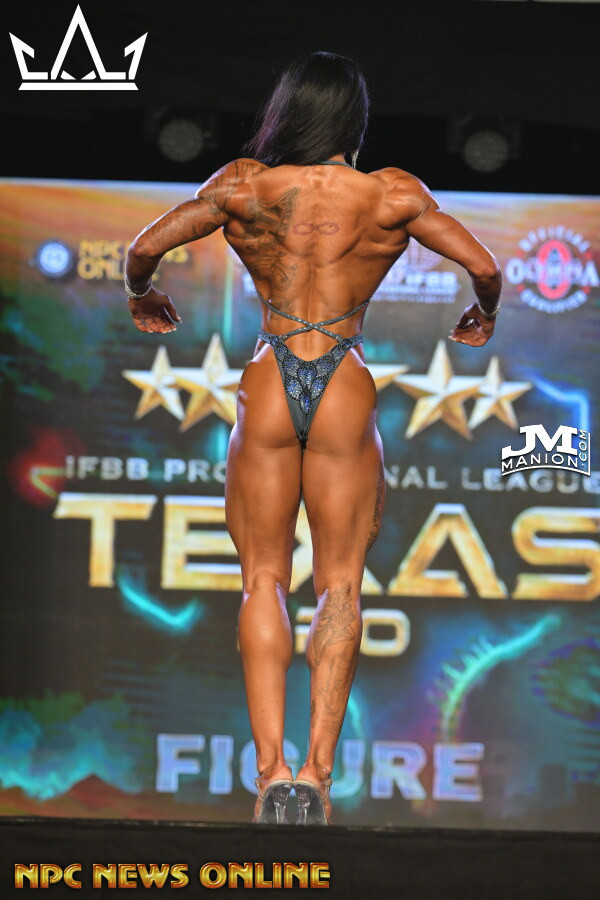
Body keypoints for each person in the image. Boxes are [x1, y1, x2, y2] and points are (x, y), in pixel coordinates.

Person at [124, 50, 502, 826]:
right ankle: (318, 779)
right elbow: (485, 268)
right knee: (341, 585)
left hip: (270, 373)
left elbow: (142, 250)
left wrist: (142, 293)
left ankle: (271, 774)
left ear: (286, 114)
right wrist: (484, 311)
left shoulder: (244, 185)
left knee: (262, 579)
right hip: (343, 377)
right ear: (354, 121)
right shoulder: (390, 193)